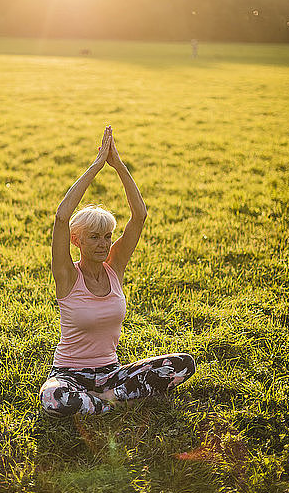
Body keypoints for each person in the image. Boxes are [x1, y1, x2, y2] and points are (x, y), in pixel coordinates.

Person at [39, 126, 196, 417]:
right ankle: (114, 402)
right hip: (70, 375)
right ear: (77, 240)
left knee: (183, 363)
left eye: (108, 236)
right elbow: (62, 217)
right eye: (95, 237)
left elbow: (140, 216)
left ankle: (101, 402)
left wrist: (118, 165)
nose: (103, 244)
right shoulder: (66, 276)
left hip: (111, 374)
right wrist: (96, 166)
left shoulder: (115, 269)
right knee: (54, 397)